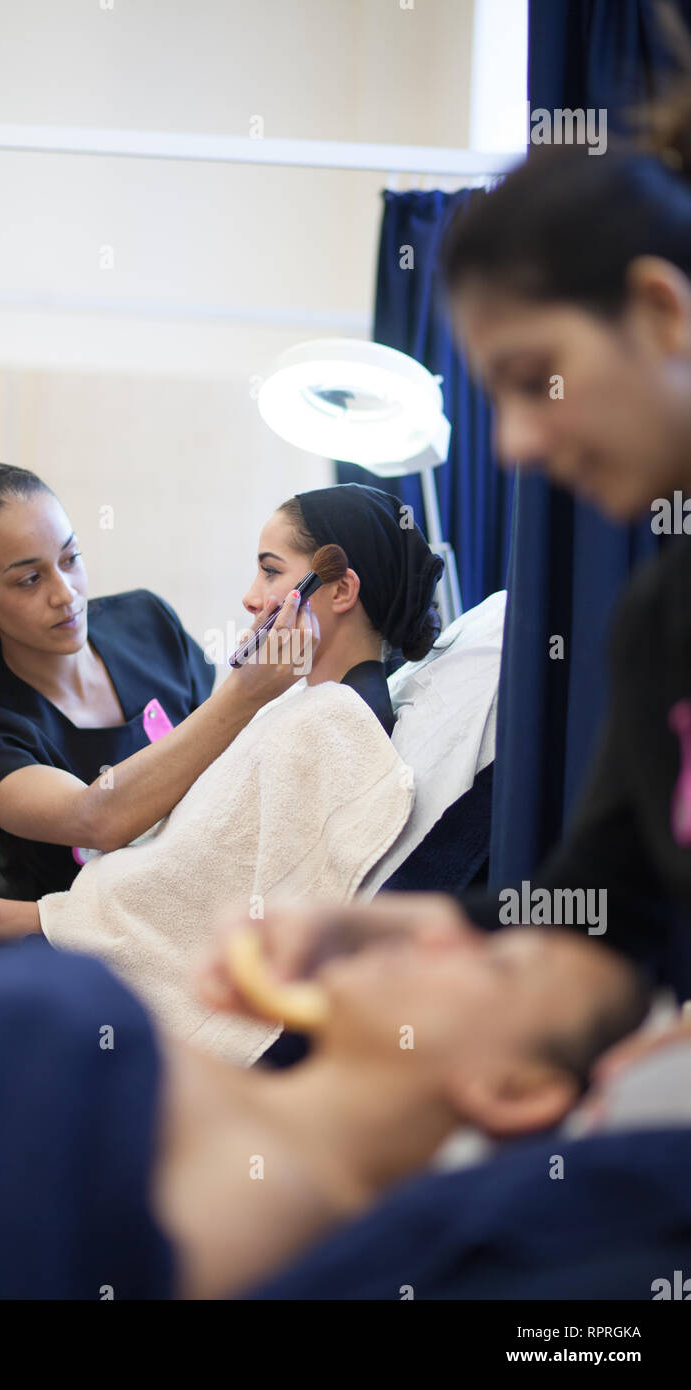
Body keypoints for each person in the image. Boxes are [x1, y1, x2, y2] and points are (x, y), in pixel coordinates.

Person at [198, 86, 691, 1072]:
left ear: (657, 311)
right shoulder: (659, 620)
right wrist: (372, 940)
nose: (511, 441)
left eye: (533, 375)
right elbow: (595, 918)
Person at [0, 912, 648, 1300]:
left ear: (515, 1090)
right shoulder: (229, 1088)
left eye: (497, 962)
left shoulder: (298, 1194)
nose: (435, 933)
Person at [0, 482, 443, 951]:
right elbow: (96, 821)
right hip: (46, 962)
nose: (67, 595)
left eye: (71, 558)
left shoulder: (145, 622)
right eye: (29, 580)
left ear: (341, 590)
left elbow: (216, 803)